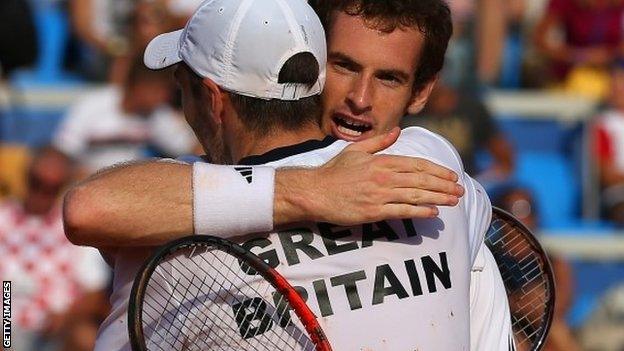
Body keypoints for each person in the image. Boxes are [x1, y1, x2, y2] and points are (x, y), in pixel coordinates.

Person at [65, 0, 513, 349]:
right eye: (345, 65)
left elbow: (91, 206)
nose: (360, 98)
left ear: (212, 99)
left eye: (388, 78)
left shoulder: (160, 239)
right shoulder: (427, 163)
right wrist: (310, 190)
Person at [0, 148, 109, 351]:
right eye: (36, 183)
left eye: (52, 188)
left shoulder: (74, 228)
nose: (42, 193)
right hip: (6, 323)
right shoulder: (2, 218)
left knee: (85, 337)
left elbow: (94, 293)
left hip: (55, 330)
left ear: (62, 188)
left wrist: (66, 317)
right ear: (25, 178)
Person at [52, 57, 195, 175]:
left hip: (128, 189)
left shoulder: (156, 114)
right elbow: (61, 154)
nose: (165, 97)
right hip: (85, 182)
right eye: (160, 90)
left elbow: (187, 148)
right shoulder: (92, 104)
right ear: (140, 85)